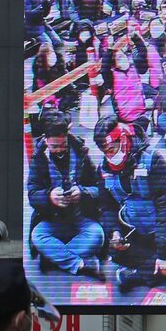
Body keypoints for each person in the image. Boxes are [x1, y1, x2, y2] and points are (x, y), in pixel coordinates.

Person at [93, 115, 166, 293]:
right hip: (132, 232)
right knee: (114, 252)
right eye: (105, 152)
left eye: (112, 149)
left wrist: (164, 252)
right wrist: (115, 233)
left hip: (163, 231)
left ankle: (138, 275)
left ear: (124, 139)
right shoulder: (103, 170)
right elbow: (107, 207)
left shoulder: (152, 160)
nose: (110, 156)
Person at [27, 109, 107, 278]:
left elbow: (99, 188)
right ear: (45, 139)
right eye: (54, 146)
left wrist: (83, 193)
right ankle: (78, 262)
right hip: (52, 218)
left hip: (81, 216)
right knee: (38, 235)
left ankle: (53, 258)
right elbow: (32, 194)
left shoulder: (81, 152)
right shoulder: (38, 157)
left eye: (63, 145)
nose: (59, 150)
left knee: (97, 235)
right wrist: (49, 197)